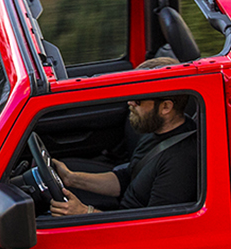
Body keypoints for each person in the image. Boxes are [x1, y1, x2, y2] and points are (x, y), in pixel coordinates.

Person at [49, 85, 198, 215]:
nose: (130, 103)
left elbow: (153, 229)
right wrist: (72, 178)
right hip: (123, 211)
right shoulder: (157, 132)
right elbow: (128, 177)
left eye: (138, 99)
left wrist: (84, 212)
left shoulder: (180, 162)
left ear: (166, 107)